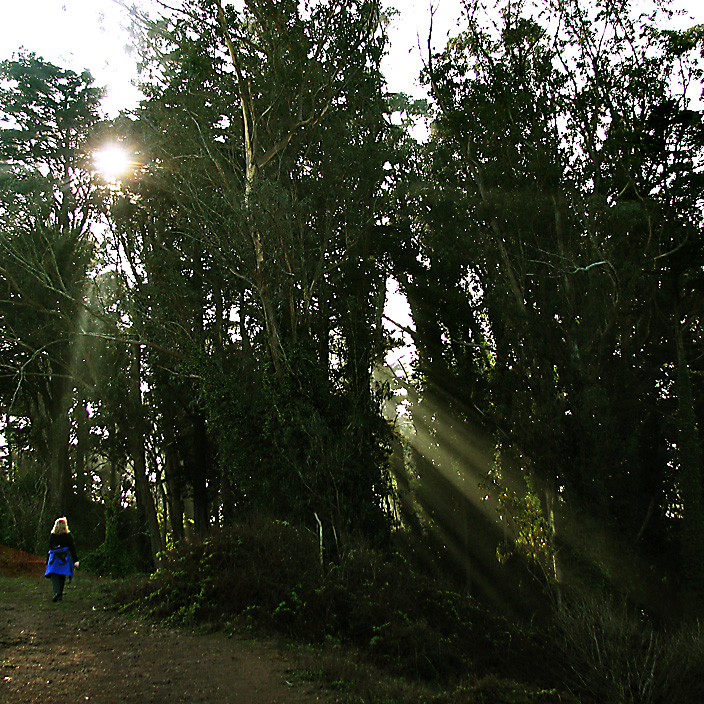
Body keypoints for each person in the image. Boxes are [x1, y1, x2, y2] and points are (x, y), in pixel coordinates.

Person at [44, 517, 79, 602]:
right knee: (62, 575)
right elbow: (72, 548)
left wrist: (47, 560)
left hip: (54, 558)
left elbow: (49, 548)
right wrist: (75, 560)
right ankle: (59, 594)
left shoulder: (53, 536)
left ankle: (57, 592)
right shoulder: (68, 536)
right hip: (64, 558)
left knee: (54, 576)